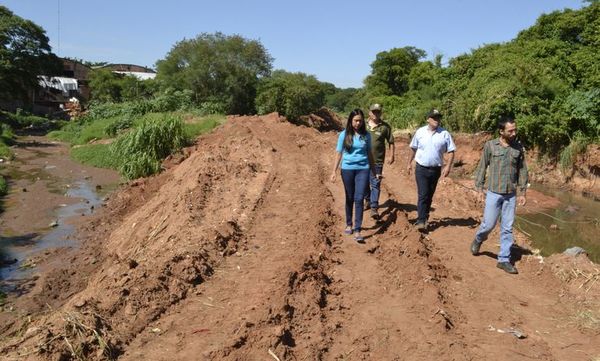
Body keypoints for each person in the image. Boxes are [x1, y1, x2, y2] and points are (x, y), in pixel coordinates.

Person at [470, 115, 528, 274]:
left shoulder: (518, 148)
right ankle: (479, 238)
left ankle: (503, 260)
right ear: (501, 131)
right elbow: (482, 167)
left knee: (507, 227)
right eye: (510, 131)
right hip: (494, 193)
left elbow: (522, 170)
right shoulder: (490, 146)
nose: (514, 133)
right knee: (488, 225)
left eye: (515, 129)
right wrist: (479, 188)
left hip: (511, 194)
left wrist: (522, 192)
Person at [331, 109, 380, 243]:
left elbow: (370, 154)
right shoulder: (344, 135)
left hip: (363, 170)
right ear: (350, 121)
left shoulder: (366, 136)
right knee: (350, 197)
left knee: (359, 199)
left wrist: (374, 171)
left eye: (360, 120)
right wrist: (334, 171)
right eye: (355, 120)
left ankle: (357, 229)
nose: (358, 123)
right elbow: (338, 153)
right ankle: (349, 224)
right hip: (347, 169)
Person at [406, 109, 456, 231]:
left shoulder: (444, 134)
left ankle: (425, 217)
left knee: (429, 195)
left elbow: (451, 151)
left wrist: (448, 166)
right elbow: (413, 148)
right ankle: (421, 221)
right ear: (428, 119)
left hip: (436, 169)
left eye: (438, 118)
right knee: (423, 194)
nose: (437, 120)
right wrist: (409, 162)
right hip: (421, 168)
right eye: (434, 118)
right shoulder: (420, 132)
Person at [364, 103, 395, 220]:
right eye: (374, 111)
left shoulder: (385, 127)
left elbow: (391, 142)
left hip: (377, 161)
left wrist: (392, 155)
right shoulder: (363, 125)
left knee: (375, 183)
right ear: (369, 113)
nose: (376, 114)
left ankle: (374, 208)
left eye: (378, 112)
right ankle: (367, 200)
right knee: (363, 184)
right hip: (362, 160)